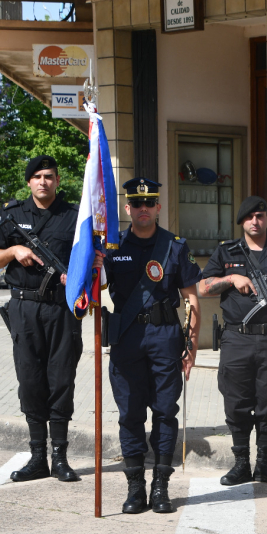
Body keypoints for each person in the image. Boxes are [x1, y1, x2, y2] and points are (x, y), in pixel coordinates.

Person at [97, 177, 201, 514]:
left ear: (158, 207)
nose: (143, 209)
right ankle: (135, 488)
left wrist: (192, 346)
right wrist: (93, 264)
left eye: (150, 203)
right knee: (129, 414)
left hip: (164, 336)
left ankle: (160, 486)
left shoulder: (174, 246)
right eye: (137, 204)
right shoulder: (112, 247)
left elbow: (191, 299)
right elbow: (95, 287)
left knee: (165, 411)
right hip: (126, 338)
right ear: (127, 208)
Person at [0, 155, 82, 484]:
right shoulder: (12, 216)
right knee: (30, 382)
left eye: (49, 176)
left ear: (57, 181)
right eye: (37, 176)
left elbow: (90, 264)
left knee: (61, 381)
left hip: (60, 310)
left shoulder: (73, 217)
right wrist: (13, 252)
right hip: (24, 310)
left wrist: (80, 277)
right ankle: (38, 456)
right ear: (29, 182)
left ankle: (60, 458)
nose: (43, 181)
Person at [198, 196, 267, 487]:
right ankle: (241, 463)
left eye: (261, 215)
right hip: (237, 337)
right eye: (249, 217)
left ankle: (264, 464)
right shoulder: (227, 252)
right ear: (241, 221)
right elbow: (202, 287)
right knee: (236, 401)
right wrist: (232, 278)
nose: (255, 221)